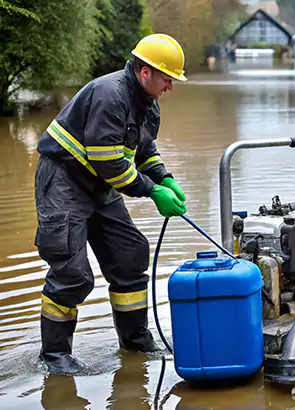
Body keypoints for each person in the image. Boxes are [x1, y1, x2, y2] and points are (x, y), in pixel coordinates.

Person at [34, 33, 189, 375]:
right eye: (167, 78)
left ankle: (134, 342)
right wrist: (152, 191)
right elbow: (108, 162)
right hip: (64, 181)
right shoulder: (110, 95)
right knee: (72, 274)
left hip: (99, 185)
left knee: (130, 256)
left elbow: (143, 150)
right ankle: (55, 356)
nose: (170, 87)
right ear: (145, 72)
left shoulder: (148, 105)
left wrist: (164, 178)